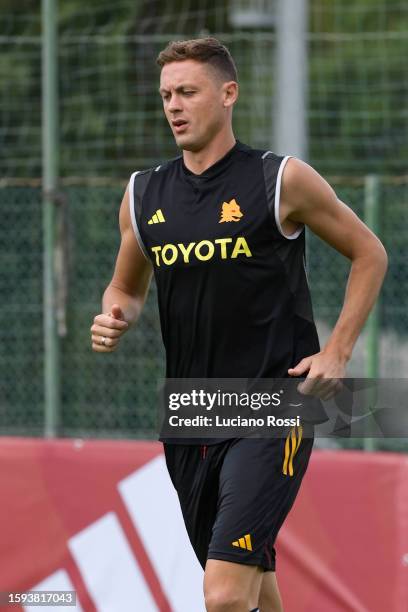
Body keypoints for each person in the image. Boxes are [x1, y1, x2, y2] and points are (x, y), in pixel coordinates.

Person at [91, 38, 387, 612]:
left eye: (187, 92)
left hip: (276, 403)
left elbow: (369, 252)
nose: (173, 105)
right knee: (252, 585)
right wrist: (116, 314)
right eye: (166, 95)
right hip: (191, 411)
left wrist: (339, 353)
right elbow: (125, 286)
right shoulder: (142, 193)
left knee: (224, 595)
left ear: (228, 95)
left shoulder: (281, 180)